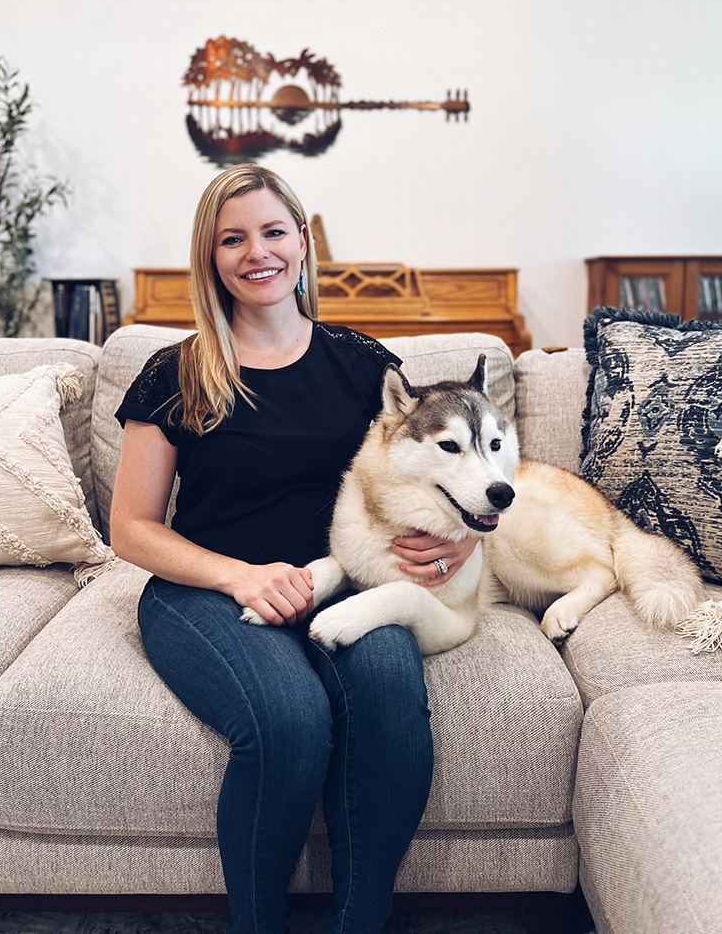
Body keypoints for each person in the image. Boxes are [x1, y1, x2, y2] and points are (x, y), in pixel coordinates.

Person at [109, 164, 479, 934]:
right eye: (232, 238)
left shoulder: (365, 365)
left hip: (346, 578)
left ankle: (357, 921)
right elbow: (132, 527)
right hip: (206, 589)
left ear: (303, 241)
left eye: (273, 231)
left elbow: (441, 477)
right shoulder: (174, 373)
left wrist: (456, 546)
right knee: (289, 719)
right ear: (210, 258)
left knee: (389, 702)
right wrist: (239, 576)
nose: (257, 252)